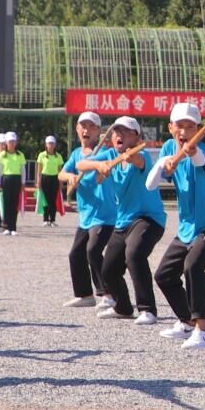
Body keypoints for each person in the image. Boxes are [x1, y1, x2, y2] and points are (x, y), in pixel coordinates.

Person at [147, 103, 205, 349]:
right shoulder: (169, 148)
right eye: (179, 126)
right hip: (186, 230)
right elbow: (150, 185)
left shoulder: (202, 151)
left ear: (197, 129)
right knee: (164, 275)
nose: (184, 131)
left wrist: (190, 152)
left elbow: (198, 159)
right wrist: (163, 164)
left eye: (190, 126)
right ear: (171, 127)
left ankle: (202, 332)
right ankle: (186, 322)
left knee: (193, 266)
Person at [76, 118, 166, 323]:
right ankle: (123, 307)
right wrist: (100, 165)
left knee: (134, 254)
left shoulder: (141, 155)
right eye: (116, 132)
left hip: (148, 218)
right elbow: (81, 164)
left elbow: (137, 160)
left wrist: (124, 157)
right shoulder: (109, 155)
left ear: (136, 136)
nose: (119, 135)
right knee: (108, 268)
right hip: (123, 221)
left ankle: (147, 309)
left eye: (125, 132)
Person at [60, 114, 114, 309]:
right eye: (83, 126)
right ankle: (84, 295)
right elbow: (62, 173)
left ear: (98, 132)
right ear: (77, 129)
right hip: (86, 216)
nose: (87, 130)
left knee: (93, 250)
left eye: (92, 127)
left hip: (105, 215)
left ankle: (107, 293)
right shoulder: (76, 154)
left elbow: (105, 171)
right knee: (75, 254)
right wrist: (70, 178)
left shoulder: (106, 153)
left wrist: (100, 168)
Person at [0, 131, 24, 235]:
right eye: (10, 141)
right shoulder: (2, 155)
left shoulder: (20, 155)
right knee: (6, 203)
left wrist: (23, 183)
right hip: (6, 179)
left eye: (14, 141)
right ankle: (6, 227)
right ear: (6, 143)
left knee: (14, 204)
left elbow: (23, 170)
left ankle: (13, 227)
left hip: (16, 179)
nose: (12, 143)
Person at [37, 135, 65, 226]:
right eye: (49, 143)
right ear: (46, 145)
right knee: (45, 199)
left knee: (53, 200)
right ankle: (45, 219)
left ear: (55, 145)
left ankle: (52, 219)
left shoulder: (58, 156)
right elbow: (39, 169)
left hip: (55, 179)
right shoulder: (42, 155)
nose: (51, 145)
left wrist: (61, 183)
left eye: (52, 143)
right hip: (45, 178)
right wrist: (38, 180)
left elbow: (60, 170)